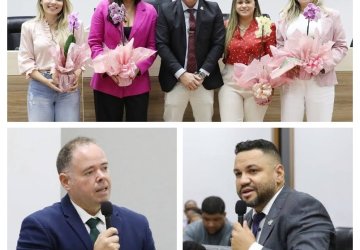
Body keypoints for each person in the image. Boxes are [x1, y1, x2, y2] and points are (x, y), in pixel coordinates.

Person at [17, 137, 155, 250]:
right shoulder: (41, 227)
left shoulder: (137, 224)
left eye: (104, 168)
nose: (101, 176)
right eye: (89, 172)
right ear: (66, 181)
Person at [231, 139, 335, 250]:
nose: (243, 181)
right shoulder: (247, 220)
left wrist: (251, 248)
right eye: (238, 174)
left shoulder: (304, 208)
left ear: (279, 174)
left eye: (253, 171)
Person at [277, 0, 348, 121]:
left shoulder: (332, 15)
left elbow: (341, 46)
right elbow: (279, 46)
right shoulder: (285, 16)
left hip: (320, 78)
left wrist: (322, 64)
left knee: (320, 122)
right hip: (292, 79)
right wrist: (287, 64)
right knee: (289, 121)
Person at [156, 0, 225, 122]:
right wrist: (181, 74)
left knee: (205, 124)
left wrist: (202, 74)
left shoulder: (213, 8)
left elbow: (218, 44)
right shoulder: (166, 9)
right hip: (175, 79)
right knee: (172, 123)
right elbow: (162, 44)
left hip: (203, 80)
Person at [88, 0, 157, 121]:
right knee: (107, 132)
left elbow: (152, 47)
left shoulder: (150, 11)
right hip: (106, 82)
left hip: (137, 83)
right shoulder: (103, 7)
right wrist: (109, 68)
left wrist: (137, 69)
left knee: (136, 133)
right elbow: (94, 43)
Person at [18, 0, 83, 122]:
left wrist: (75, 76)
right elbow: (26, 62)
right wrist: (47, 82)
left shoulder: (75, 25)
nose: (53, 2)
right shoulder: (28, 27)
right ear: (41, 1)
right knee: (40, 134)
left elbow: (80, 57)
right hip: (40, 87)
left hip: (68, 88)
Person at [218, 0, 276, 122]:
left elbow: (272, 58)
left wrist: (268, 85)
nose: (244, 5)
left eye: (248, 2)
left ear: (255, 4)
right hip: (230, 82)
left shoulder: (267, 26)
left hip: (257, 83)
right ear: (235, 6)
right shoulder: (226, 26)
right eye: (240, 2)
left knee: (254, 123)